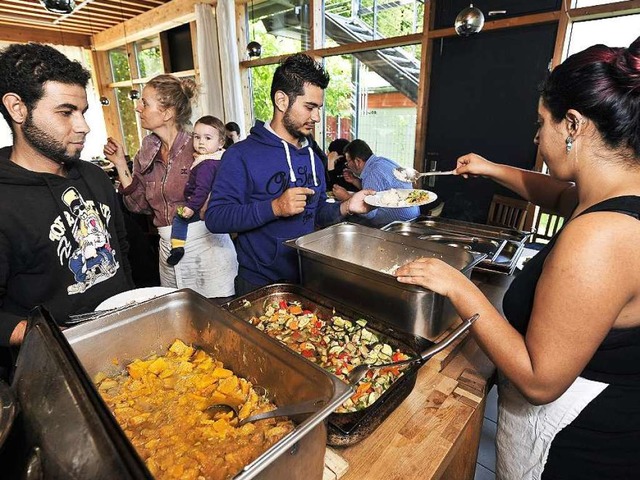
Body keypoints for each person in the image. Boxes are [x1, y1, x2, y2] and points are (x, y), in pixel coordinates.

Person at [395, 36, 640, 479]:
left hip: (574, 443)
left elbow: (539, 380)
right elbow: (558, 193)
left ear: (573, 124)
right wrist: (489, 168)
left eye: (540, 123)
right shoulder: (617, 194)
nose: (536, 137)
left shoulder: (601, 238)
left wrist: (457, 285)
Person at [0, 43, 134, 352]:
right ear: (17, 108)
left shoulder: (95, 177)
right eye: (65, 112)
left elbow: (121, 251)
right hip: (56, 361)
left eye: (83, 112)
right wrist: (54, 337)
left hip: (125, 341)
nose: (83, 126)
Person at [206, 53, 373, 295]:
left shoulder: (312, 157)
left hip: (309, 279)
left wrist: (346, 207)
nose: (316, 117)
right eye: (309, 107)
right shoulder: (241, 155)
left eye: (318, 108)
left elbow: (314, 215)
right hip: (260, 286)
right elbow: (216, 218)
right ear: (282, 101)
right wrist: (274, 207)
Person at [104, 75, 237, 298]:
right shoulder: (147, 150)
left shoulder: (202, 148)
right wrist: (119, 163)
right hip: (167, 249)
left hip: (207, 248)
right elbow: (138, 206)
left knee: (216, 318)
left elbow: (228, 199)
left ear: (167, 113)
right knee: (179, 321)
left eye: (145, 103)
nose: (138, 108)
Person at [167, 115, 234, 269]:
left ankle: (177, 247)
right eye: (197, 137)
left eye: (208, 138)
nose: (201, 142)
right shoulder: (218, 158)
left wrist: (191, 207)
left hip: (201, 205)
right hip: (217, 206)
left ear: (221, 142)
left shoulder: (206, 164)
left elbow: (202, 189)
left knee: (179, 218)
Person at [333, 139, 419, 227]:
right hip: (412, 215)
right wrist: (355, 180)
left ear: (357, 161)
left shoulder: (373, 172)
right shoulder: (381, 161)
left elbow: (368, 213)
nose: (347, 165)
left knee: (344, 220)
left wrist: (345, 197)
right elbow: (376, 192)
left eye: (348, 162)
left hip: (398, 223)